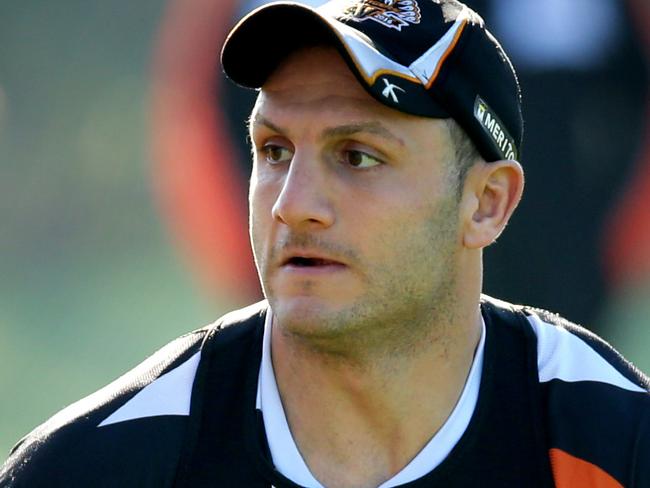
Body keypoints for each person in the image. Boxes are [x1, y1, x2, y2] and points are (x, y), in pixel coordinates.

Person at [1, 0, 648, 486]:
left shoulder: (616, 447)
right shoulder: (94, 468)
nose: (293, 206)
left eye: (358, 156)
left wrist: (609, 260)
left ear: (487, 203)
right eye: (274, 151)